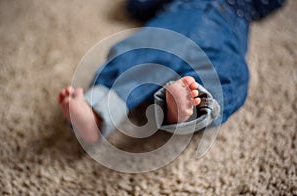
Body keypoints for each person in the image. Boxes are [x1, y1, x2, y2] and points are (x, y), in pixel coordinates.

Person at [58, 0, 286, 143]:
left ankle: (187, 108)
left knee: (230, 71)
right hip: (176, 22)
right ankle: (98, 112)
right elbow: (136, 5)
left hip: (223, 34)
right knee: (139, 53)